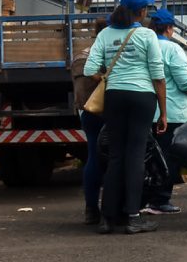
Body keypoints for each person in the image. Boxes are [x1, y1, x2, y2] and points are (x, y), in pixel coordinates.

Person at [84, 0, 167, 235]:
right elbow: (158, 76)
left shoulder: (106, 34)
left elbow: (90, 69)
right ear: (141, 11)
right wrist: (163, 112)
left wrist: (109, 77)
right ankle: (132, 216)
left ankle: (107, 218)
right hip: (142, 97)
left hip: (114, 97)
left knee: (116, 157)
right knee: (135, 156)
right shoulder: (147, 35)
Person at [142, 9, 187, 215]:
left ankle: (143, 198)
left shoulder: (144, 45)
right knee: (167, 158)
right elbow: (185, 82)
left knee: (147, 157)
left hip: (148, 110)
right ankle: (160, 200)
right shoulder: (172, 49)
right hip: (171, 113)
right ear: (168, 28)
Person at [71, 17, 108, 225]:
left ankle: (91, 208)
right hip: (109, 113)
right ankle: (113, 209)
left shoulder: (79, 56)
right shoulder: (107, 56)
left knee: (93, 156)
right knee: (115, 159)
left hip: (87, 113)